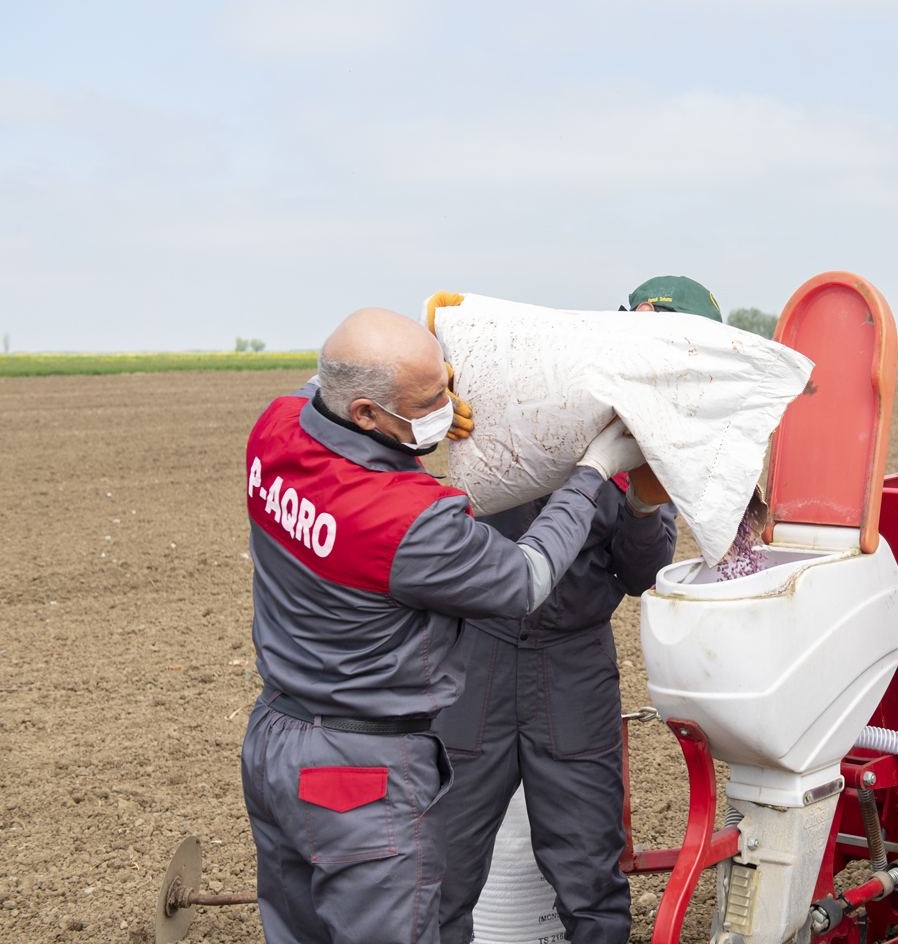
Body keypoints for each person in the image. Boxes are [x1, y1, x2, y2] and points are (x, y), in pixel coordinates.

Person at [240, 307, 646, 944]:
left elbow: (317, 386)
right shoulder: (404, 517)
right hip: (362, 766)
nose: (444, 407)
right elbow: (526, 579)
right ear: (368, 413)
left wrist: (430, 369)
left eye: (445, 387)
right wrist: (594, 471)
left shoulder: (276, 429)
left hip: (277, 740)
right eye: (428, 400)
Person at [435, 276, 723, 944]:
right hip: (477, 654)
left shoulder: (656, 433)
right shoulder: (533, 382)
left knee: (589, 872)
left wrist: (647, 503)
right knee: (441, 866)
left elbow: (643, 572)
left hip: (572, 667)